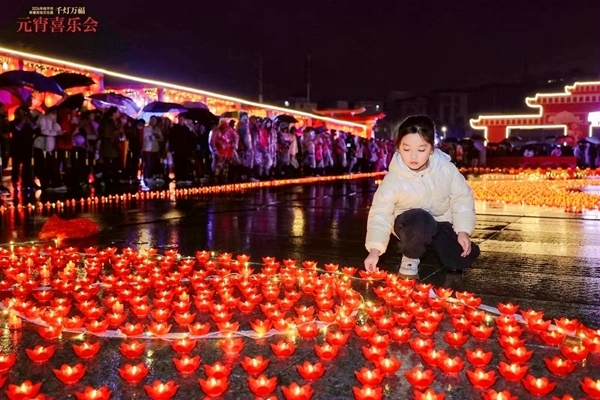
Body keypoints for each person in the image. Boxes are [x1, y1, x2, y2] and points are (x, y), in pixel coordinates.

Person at [363, 115, 480, 276]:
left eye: (421, 149)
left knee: (460, 259)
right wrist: (375, 250)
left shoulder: (446, 170)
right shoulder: (393, 179)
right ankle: (410, 255)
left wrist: (463, 231)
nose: (413, 156)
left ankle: (431, 246)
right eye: (406, 149)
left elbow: (462, 197)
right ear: (398, 147)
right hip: (411, 225)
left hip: (440, 223)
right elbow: (380, 213)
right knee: (421, 220)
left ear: (432, 148)